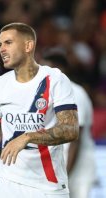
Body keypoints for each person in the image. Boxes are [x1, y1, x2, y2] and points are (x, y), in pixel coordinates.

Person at [0, 22, 79, 198]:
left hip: (48, 185)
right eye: (0, 44)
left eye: (8, 43)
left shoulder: (55, 79)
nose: (1, 49)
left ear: (28, 45)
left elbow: (71, 130)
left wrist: (27, 137)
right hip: (9, 182)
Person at [42, 50, 96, 198]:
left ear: (59, 69)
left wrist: (64, 176)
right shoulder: (51, 95)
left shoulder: (75, 93)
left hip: (78, 169)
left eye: (47, 68)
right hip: (60, 168)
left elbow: (74, 141)